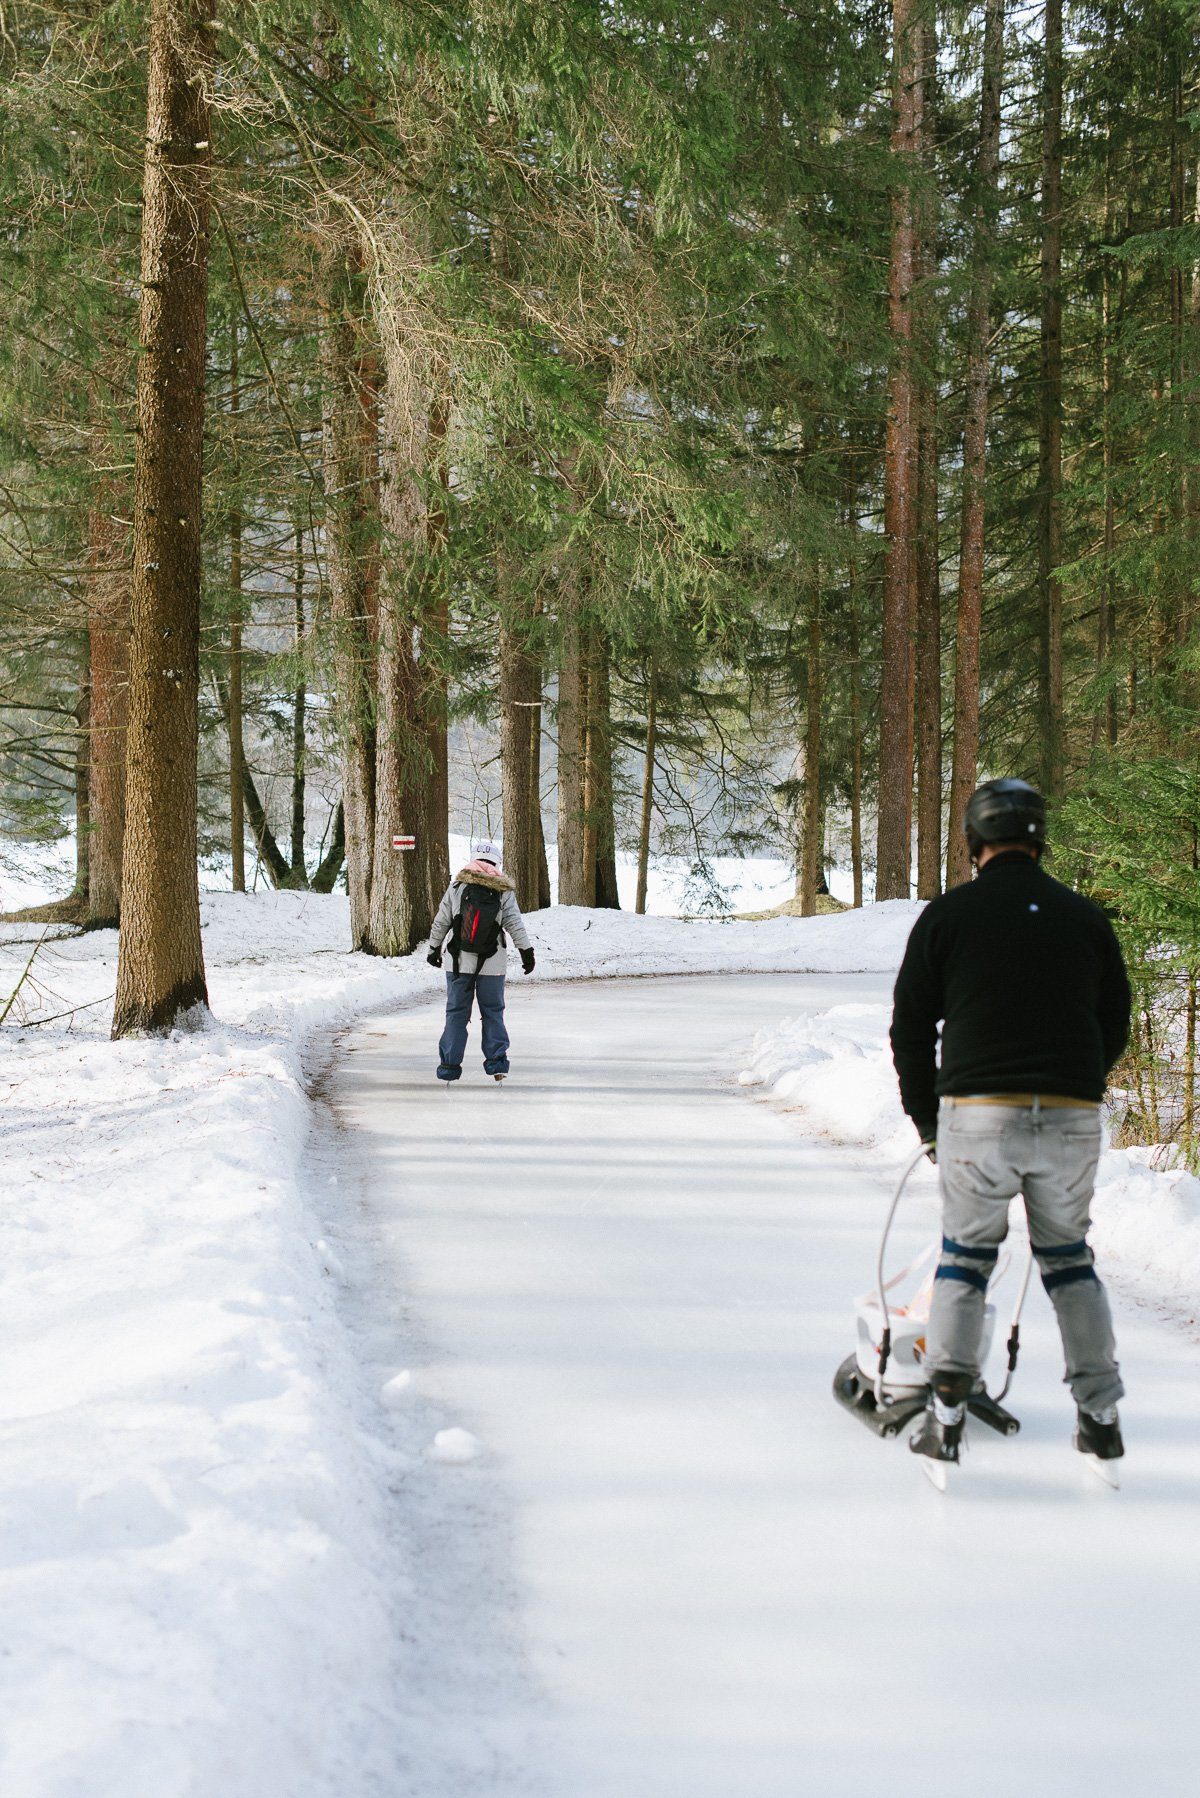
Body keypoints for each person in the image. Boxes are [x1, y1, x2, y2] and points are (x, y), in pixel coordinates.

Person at [889, 778, 1132, 1472]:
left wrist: (927, 1120)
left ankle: (946, 1415)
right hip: (1071, 1116)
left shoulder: (949, 915)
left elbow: (910, 1026)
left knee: (966, 1259)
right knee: (1069, 1261)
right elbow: (1110, 1023)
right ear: (1038, 838)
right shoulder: (1083, 917)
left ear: (974, 840)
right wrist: (1075, 1086)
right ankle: (1102, 1416)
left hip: (979, 1114)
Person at [427, 840, 535, 1083]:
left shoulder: (457, 886)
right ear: (496, 862)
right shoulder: (503, 890)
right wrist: (526, 951)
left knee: (456, 1013)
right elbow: (514, 923)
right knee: (493, 1012)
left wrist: (434, 948)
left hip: (457, 961)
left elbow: (441, 920)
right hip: (492, 963)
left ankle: (449, 1068)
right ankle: (497, 1065)